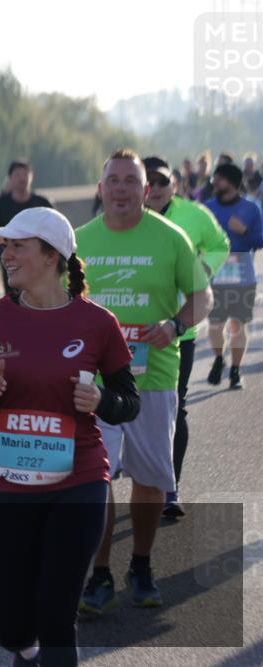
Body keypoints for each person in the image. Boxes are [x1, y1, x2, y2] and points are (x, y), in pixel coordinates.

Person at [0, 207, 139, 667]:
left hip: (78, 480)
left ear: (51, 255)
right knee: (11, 626)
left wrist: (100, 400)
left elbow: (128, 401)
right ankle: (25, 648)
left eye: (18, 246)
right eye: (5, 247)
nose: (7, 255)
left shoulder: (97, 323)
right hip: (7, 482)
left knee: (58, 617)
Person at [77, 149, 211, 613]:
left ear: (146, 190)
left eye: (130, 181)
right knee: (97, 477)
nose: (120, 189)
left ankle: (141, 564)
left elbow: (202, 296)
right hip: (94, 380)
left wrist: (175, 325)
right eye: (112, 180)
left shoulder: (171, 237)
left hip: (154, 375)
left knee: (152, 476)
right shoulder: (78, 241)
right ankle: (99, 573)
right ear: (101, 189)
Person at [142, 156, 230, 518]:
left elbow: (220, 244)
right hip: (125, 331)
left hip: (179, 329)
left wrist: (200, 273)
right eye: (150, 182)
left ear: (173, 185)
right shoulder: (119, 219)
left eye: (163, 182)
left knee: (174, 405)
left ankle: (169, 486)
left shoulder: (194, 216)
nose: (157, 188)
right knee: (112, 404)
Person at [203, 164, 263, 390]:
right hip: (215, 270)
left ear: (231, 182)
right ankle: (219, 359)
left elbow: (260, 241)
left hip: (243, 271)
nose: (214, 183)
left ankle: (235, 372)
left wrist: (245, 232)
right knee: (215, 325)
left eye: (218, 179)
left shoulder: (251, 208)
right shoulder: (207, 208)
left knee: (238, 326)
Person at [0, 160, 54, 294]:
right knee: (12, 294)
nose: (22, 178)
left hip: (37, 261)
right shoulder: (0, 204)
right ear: (10, 178)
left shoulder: (42, 203)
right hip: (9, 259)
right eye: (17, 174)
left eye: (25, 174)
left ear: (32, 176)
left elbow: (54, 230)